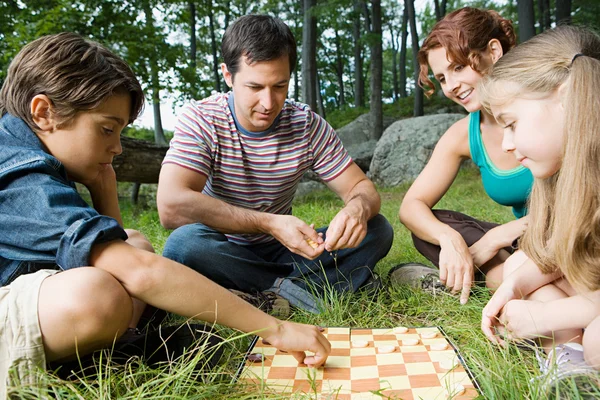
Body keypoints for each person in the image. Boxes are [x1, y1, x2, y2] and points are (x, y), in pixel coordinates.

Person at [0, 32, 331, 398]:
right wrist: (275, 329)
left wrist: (104, 185)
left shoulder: (29, 152)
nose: (118, 147)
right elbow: (138, 273)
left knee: (134, 242)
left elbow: (124, 253)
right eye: (107, 129)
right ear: (44, 113)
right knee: (98, 291)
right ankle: (103, 355)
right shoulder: (19, 174)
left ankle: (117, 344)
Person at [157, 15, 393, 314]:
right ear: (228, 76)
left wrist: (357, 209)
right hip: (222, 248)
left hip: (288, 251)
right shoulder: (201, 119)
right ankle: (310, 288)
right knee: (184, 245)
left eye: (280, 86)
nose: (269, 102)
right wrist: (269, 223)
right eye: (254, 87)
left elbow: (362, 188)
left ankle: (262, 294)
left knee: (378, 228)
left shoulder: (306, 125)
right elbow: (170, 207)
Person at [478, 25, 600, 387]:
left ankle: (578, 344)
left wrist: (543, 317)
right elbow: (553, 258)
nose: (509, 145)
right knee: (517, 266)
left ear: (566, 98)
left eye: (512, 124)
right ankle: (567, 357)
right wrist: (512, 288)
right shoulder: (565, 178)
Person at [394, 7, 533, 304]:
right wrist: (450, 239)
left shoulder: (544, 106)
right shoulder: (464, 133)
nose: (452, 86)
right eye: (442, 78)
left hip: (569, 234)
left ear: (493, 51)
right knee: (430, 229)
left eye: (458, 68)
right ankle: (508, 274)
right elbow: (410, 207)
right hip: (524, 241)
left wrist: (493, 240)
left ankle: (500, 280)